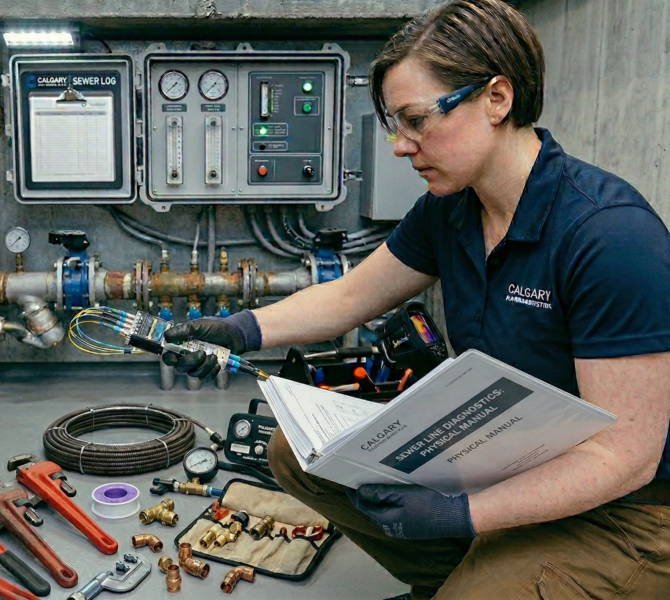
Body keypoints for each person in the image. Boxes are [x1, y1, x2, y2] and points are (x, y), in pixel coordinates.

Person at [161, 1, 670, 598]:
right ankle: (447, 582)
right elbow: (351, 295)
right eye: (395, 125)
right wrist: (239, 329)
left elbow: (624, 458)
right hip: (504, 457)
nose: (402, 146)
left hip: (627, 513)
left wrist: (460, 513)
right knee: (297, 452)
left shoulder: (609, 237)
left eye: (416, 120)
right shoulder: (452, 209)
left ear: (497, 99)